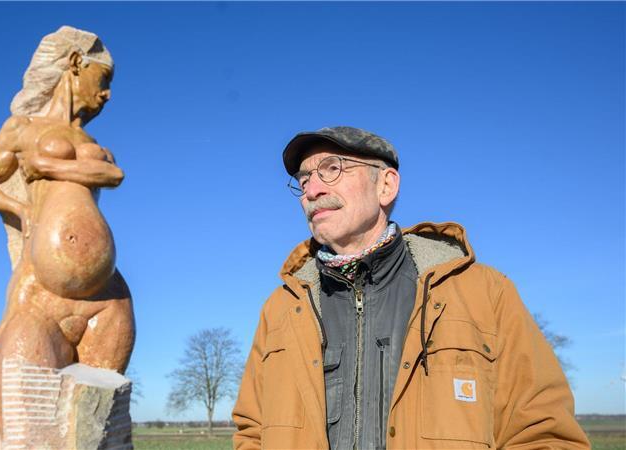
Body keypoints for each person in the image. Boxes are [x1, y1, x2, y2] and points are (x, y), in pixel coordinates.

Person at [232, 126, 589, 449]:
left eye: (332, 168)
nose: (312, 190)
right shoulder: (281, 308)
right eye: (304, 178)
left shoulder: (485, 293)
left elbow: (544, 434)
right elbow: (252, 433)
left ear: (386, 185)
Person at [0, 26, 135, 438]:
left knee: (100, 430)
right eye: (103, 78)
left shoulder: (92, 141)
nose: (107, 94)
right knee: (29, 429)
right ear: (76, 64)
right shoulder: (22, 129)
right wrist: (21, 209)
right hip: (41, 293)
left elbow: (114, 175)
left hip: (107, 299)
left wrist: (47, 166)